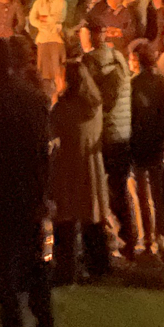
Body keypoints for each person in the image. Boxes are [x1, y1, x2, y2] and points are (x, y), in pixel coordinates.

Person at [0, 39, 53, 327]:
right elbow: (43, 149)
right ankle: (43, 325)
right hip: (30, 190)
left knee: (3, 259)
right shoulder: (36, 99)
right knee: (36, 259)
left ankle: (12, 325)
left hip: (0, 191)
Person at [49, 60, 110, 280]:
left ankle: (66, 266)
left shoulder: (63, 107)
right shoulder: (95, 105)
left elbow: (52, 131)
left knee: (66, 218)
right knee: (92, 214)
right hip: (92, 163)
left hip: (68, 164)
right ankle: (99, 264)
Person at [81, 20, 136, 257]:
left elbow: (88, 98)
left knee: (99, 189)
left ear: (92, 36)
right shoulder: (119, 58)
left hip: (104, 132)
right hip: (123, 132)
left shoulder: (89, 62)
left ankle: (106, 240)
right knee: (120, 187)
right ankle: (130, 236)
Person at [127, 40, 164, 256]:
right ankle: (159, 234)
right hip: (156, 143)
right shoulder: (161, 82)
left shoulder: (134, 85)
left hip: (139, 143)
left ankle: (146, 236)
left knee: (140, 192)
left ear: (137, 61)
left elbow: (131, 115)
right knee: (157, 191)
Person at [29, 0, 66, 91]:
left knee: (57, 69)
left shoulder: (60, 1)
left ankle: (59, 92)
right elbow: (32, 18)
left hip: (55, 38)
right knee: (42, 69)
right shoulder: (38, 2)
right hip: (43, 38)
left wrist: (44, 17)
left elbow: (59, 17)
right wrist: (41, 23)